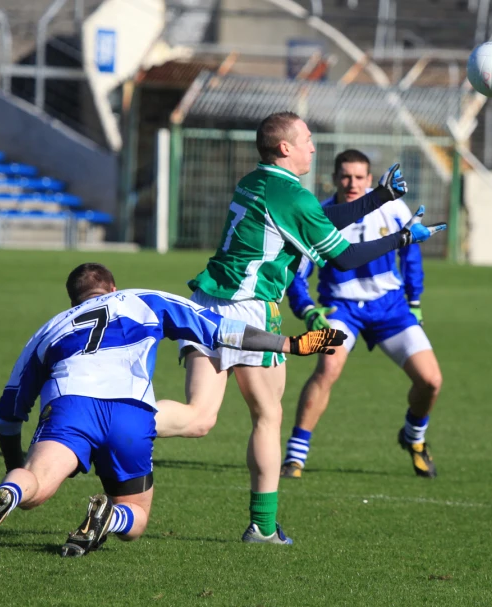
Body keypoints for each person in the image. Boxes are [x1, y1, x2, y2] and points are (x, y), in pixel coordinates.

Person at [152, 112, 446, 545]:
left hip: (209, 302)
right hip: (251, 309)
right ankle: (264, 527)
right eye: (307, 139)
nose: (313, 146)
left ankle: (106, 418)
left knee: (198, 418)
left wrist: (379, 195)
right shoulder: (294, 196)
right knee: (268, 417)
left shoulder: (256, 181)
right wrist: (403, 239)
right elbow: (342, 257)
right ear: (286, 148)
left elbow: (317, 223)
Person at [0, 262, 346, 559]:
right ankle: (111, 517)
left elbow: (8, 414)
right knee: (136, 514)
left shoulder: (49, 329)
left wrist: (14, 466)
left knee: (35, 488)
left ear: (73, 300)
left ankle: (10, 491)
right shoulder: (143, 298)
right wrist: (291, 345)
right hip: (132, 412)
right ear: (112, 288)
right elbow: (221, 329)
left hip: (70, 406)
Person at [280, 149, 444, 480]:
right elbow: (296, 276)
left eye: (358, 177)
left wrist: (415, 300)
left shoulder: (393, 207)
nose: (351, 183)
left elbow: (410, 253)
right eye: (345, 176)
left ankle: (413, 438)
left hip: (391, 307)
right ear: (334, 179)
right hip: (341, 309)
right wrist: (308, 310)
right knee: (328, 367)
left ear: (370, 180)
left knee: (431, 381)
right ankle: (295, 456)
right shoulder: (321, 215)